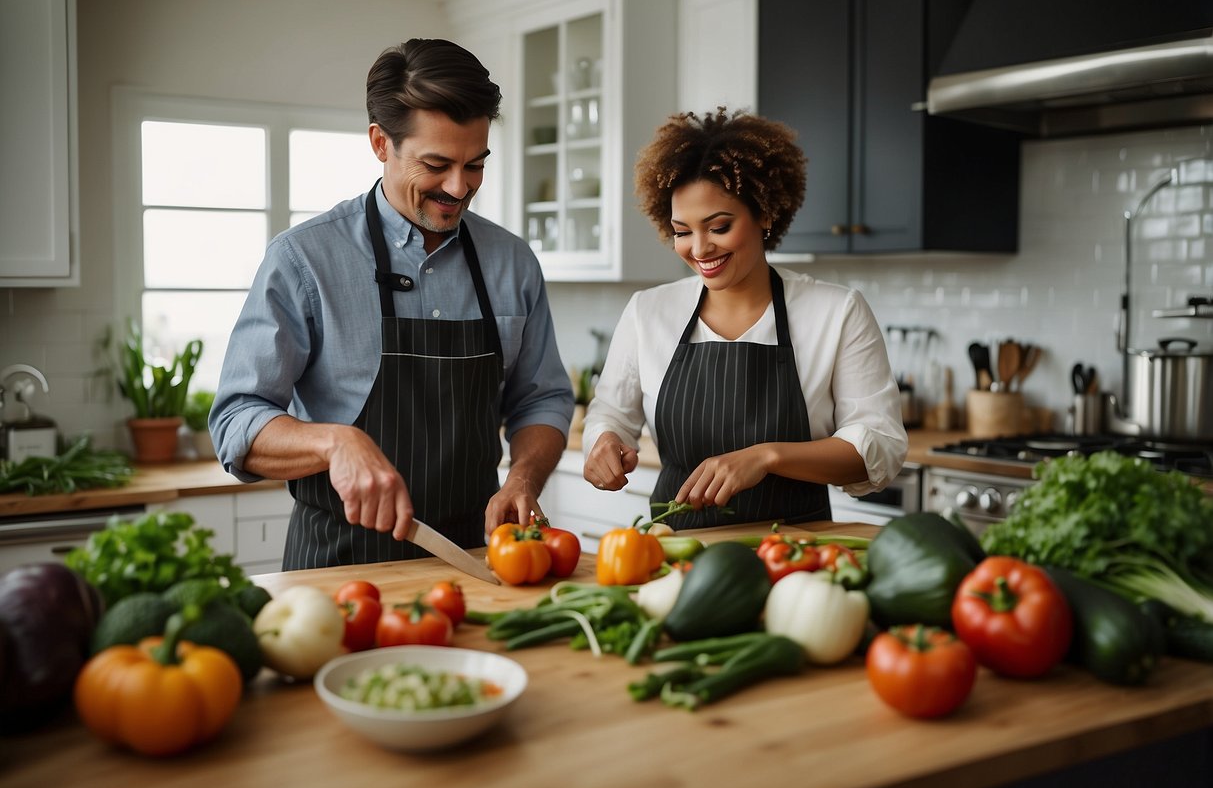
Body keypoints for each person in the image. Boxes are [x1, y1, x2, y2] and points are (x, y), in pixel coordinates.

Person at [210, 39, 574, 570]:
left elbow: (542, 401)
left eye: (475, 164)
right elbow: (237, 421)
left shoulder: (512, 263)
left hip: (474, 561)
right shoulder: (304, 259)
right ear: (381, 143)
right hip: (338, 567)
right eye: (436, 164)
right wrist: (334, 443)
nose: (459, 187)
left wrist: (523, 477)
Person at [582, 108, 906, 528]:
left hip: (796, 558)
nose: (699, 249)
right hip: (675, 554)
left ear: (765, 214)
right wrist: (605, 443)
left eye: (718, 227)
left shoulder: (836, 312)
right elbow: (611, 414)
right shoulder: (649, 312)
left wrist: (767, 457)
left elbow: (879, 446)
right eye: (682, 231)